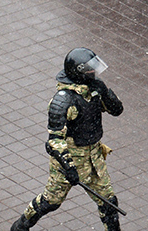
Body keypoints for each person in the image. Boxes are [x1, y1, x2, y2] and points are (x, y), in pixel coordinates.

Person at [10, 48, 124, 231]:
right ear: (79, 72)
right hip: (70, 159)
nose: (94, 73)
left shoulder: (94, 90)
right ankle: (21, 225)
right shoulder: (63, 101)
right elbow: (55, 141)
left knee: (109, 204)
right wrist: (69, 167)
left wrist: (105, 92)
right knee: (51, 201)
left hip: (94, 157)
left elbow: (117, 110)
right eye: (90, 70)